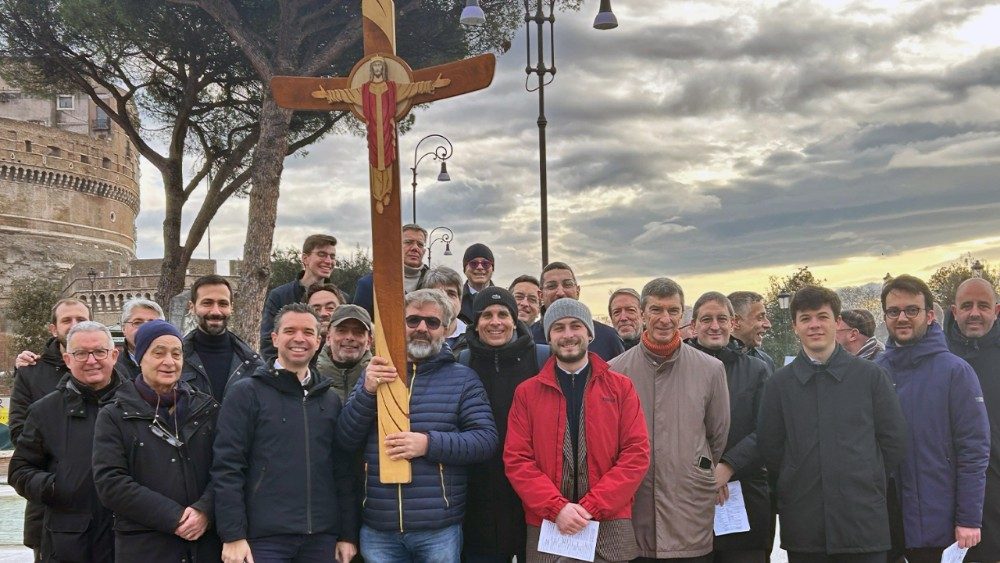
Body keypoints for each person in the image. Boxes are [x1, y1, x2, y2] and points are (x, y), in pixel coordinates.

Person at [337, 289, 498, 563]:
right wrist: (367, 392)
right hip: (379, 526)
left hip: (438, 529)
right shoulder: (375, 373)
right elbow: (345, 439)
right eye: (413, 320)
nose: (422, 328)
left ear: (445, 329)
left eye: (432, 322)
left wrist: (428, 444)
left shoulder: (463, 379)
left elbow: (485, 440)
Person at [758, 285, 907, 563]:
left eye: (822, 316)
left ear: (837, 322)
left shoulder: (871, 377)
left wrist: (866, 476)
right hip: (805, 526)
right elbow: (771, 447)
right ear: (795, 327)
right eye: (805, 318)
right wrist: (796, 477)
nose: (814, 325)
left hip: (862, 522)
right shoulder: (779, 385)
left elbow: (893, 441)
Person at [505, 297, 650, 563]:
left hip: (610, 523)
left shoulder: (621, 388)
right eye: (558, 328)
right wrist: (557, 508)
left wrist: (593, 505)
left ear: (589, 333)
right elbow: (517, 459)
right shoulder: (527, 393)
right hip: (549, 524)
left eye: (576, 326)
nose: (568, 335)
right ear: (549, 337)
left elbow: (636, 454)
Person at [213, 303, 358, 563]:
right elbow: (228, 466)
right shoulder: (246, 393)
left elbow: (342, 469)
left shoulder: (330, 400)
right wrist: (232, 534)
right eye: (290, 331)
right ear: (275, 338)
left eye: (308, 332)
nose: (299, 338)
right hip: (264, 539)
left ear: (318, 341)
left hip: (322, 538)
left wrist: (347, 534)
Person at [609, 278, 731, 562]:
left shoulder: (711, 369)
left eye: (673, 311)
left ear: (682, 315)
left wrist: (692, 467)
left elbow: (717, 435)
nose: (665, 319)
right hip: (634, 510)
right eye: (656, 310)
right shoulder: (615, 371)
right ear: (642, 314)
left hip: (688, 511)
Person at [875, 275, 989, 562]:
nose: (902, 317)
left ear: (929, 316)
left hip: (938, 525)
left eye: (911, 310)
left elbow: (974, 450)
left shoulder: (955, 371)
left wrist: (969, 518)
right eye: (893, 311)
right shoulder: (874, 373)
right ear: (885, 317)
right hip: (884, 525)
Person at [93, 320, 222, 562]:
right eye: (159, 353)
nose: (169, 362)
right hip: (145, 546)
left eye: (176, 354)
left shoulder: (206, 409)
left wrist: (205, 510)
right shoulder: (114, 414)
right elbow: (111, 483)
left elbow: (227, 469)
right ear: (140, 358)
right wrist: (175, 517)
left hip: (204, 545)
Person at [8, 321, 124, 562]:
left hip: (131, 539)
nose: (91, 360)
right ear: (68, 360)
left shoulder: (139, 404)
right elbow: (19, 470)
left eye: (99, 352)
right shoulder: (44, 411)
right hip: (70, 542)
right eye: (81, 353)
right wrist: (56, 486)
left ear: (114, 356)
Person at [457, 287, 550, 563]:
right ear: (476, 323)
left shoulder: (543, 359)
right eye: (487, 315)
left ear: (514, 320)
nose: (495, 322)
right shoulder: (462, 361)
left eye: (503, 314)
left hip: (532, 494)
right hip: (478, 498)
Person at [684, 292, 771, 563]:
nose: (715, 326)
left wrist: (728, 467)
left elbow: (767, 429)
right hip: (691, 495)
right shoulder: (678, 369)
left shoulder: (756, 369)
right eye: (706, 319)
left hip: (745, 492)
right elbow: (674, 428)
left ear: (732, 323)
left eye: (722, 319)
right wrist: (709, 471)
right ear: (694, 326)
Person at [8, 297, 91, 557]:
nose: (74, 324)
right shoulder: (31, 372)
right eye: (67, 320)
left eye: (81, 319)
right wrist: (63, 479)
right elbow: (19, 433)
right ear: (53, 329)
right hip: (50, 508)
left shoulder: (111, 372)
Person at [945, 277, 1000, 563]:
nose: (974, 313)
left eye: (983, 306)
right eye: (967, 306)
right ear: (954, 311)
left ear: (996, 311)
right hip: (947, 496)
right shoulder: (938, 357)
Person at [182, 275, 262, 400]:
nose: (216, 311)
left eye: (223, 304)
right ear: (192, 307)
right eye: (207, 303)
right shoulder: (176, 361)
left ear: (231, 308)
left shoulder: (252, 364)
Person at [260, 233, 338, 359]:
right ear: (305, 258)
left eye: (332, 256)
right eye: (322, 254)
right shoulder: (280, 296)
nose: (328, 261)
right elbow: (268, 343)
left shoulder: (341, 298)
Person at [530, 262, 625, 361]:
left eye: (567, 284)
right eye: (551, 286)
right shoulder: (529, 340)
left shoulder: (608, 338)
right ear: (540, 295)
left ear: (578, 291)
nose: (560, 292)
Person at [353, 223, 430, 317]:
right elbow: (359, 322)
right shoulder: (370, 284)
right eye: (408, 242)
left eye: (420, 244)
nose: (415, 248)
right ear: (395, 246)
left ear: (424, 251)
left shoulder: (433, 284)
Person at [316, 304, 374, 403]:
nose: (349, 337)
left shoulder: (381, 382)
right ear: (328, 337)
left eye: (358, 332)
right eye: (342, 331)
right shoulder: (310, 380)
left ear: (368, 342)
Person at [419, 266, 469, 353]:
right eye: (437, 294)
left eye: (451, 294)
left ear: (460, 301)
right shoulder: (414, 336)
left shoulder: (475, 339)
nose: (445, 300)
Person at [115, 298, 166, 380]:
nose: (145, 328)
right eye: (137, 322)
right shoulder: (113, 369)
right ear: (123, 329)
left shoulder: (176, 364)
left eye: (152, 323)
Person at [728, 291, 775, 373]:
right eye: (760, 317)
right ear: (736, 321)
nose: (768, 325)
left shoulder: (767, 361)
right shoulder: (712, 362)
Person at [459, 243, 496, 324]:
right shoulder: (456, 298)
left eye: (485, 264)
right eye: (473, 263)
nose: (480, 267)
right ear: (465, 269)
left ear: (492, 269)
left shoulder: (504, 299)